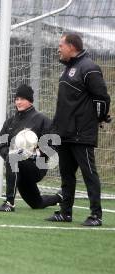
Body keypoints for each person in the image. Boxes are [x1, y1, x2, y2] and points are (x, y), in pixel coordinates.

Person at [46, 33, 111, 226]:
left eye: (61, 45)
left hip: (82, 134)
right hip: (65, 133)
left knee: (89, 174)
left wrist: (99, 118)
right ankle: (65, 213)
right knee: (66, 175)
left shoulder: (89, 68)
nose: (58, 49)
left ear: (72, 46)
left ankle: (96, 215)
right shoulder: (68, 69)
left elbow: (102, 99)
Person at [0, 84, 61, 212]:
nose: (18, 102)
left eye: (22, 99)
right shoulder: (9, 123)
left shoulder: (42, 120)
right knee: (37, 204)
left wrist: (36, 153)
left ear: (30, 101)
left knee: (13, 158)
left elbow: (54, 145)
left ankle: (9, 203)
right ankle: (60, 197)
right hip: (17, 170)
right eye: (17, 99)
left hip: (36, 167)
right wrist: (10, 153)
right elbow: (1, 146)